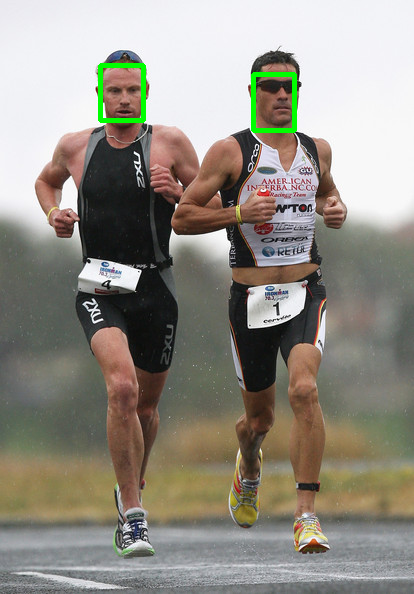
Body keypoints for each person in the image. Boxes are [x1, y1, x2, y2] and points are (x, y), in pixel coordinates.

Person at [172, 49, 347, 554]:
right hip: (250, 299)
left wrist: (334, 208)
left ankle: (306, 516)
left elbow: (327, 195)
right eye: (271, 87)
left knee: (305, 390)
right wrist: (238, 214)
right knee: (259, 422)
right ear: (254, 93)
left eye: (289, 87)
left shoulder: (317, 149)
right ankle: (248, 463)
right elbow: (182, 217)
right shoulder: (231, 153)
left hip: (305, 291)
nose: (281, 95)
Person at [35, 50, 201, 558]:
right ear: (101, 94)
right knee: (123, 389)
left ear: (144, 92)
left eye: (133, 90)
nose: (124, 99)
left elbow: (212, 204)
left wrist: (178, 192)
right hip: (99, 287)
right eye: (115, 90)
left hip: (156, 288)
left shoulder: (169, 142)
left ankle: (131, 486)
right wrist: (54, 213)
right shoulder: (75, 146)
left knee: (146, 407)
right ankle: (133, 515)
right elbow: (46, 182)